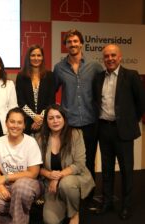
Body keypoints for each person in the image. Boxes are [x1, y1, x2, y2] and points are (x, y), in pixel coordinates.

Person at [93, 44, 145, 220]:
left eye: (113, 55)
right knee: (106, 169)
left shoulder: (131, 76)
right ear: (103, 59)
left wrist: (129, 122)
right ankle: (107, 202)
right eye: (106, 56)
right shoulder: (99, 77)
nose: (110, 59)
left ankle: (126, 205)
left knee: (126, 171)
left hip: (123, 131)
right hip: (104, 129)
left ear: (120, 57)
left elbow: (141, 103)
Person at [53, 29, 102, 206]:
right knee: (69, 161)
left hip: (90, 121)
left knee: (89, 160)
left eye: (75, 41)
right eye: (69, 42)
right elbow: (52, 92)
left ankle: (88, 196)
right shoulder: (59, 68)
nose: (72, 44)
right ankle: (70, 194)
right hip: (70, 124)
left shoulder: (95, 67)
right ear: (65, 45)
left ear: (81, 43)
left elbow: (103, 92)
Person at [36, 104, 95, 224]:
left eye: (58, 117)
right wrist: (49, 175)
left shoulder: (76, 134)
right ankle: (67, 202)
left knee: (66, 184)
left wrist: (58, 177)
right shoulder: (40, 138)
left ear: (64, 119)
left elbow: (79, 164)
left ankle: (74, 214)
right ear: (46, 121)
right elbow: (36, 167)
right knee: (50, 222)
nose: (55, 121)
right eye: (51, 118)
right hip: (51, 184)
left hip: (74, 178)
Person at [0, 107, 42, 224]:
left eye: (19, 122)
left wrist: (5, 178)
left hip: (27, 184)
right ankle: (18, 217)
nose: (15, 126)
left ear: (24, 125)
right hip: (5, 185)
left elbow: (33, 173)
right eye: (12, 121)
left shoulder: (31, 142)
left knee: (19, 187)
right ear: (6, 123)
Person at [16, 44, 55, 135]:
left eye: (39, 55)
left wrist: (39, 119)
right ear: (28, 57)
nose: (36, 58)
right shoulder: (21, 76)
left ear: (42, 57)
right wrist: (34, 117)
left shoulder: (50, 75)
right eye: (33, 55)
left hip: (45, 121)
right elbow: (20, 101)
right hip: (26, 121)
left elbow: (51, 100)